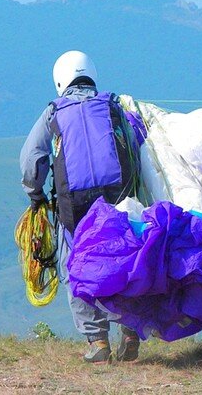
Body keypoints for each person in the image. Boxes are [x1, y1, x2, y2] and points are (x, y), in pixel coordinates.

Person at [19, 50, 142, 363]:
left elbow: (33, 157)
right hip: (118, 197)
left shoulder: (54, 112)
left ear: (60, 81)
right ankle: (130, 328)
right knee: (120, 258)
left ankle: (98, 341)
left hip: (74, 205)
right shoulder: (112, 105)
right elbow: (135, 144)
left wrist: (35, 194)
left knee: (77, 265)